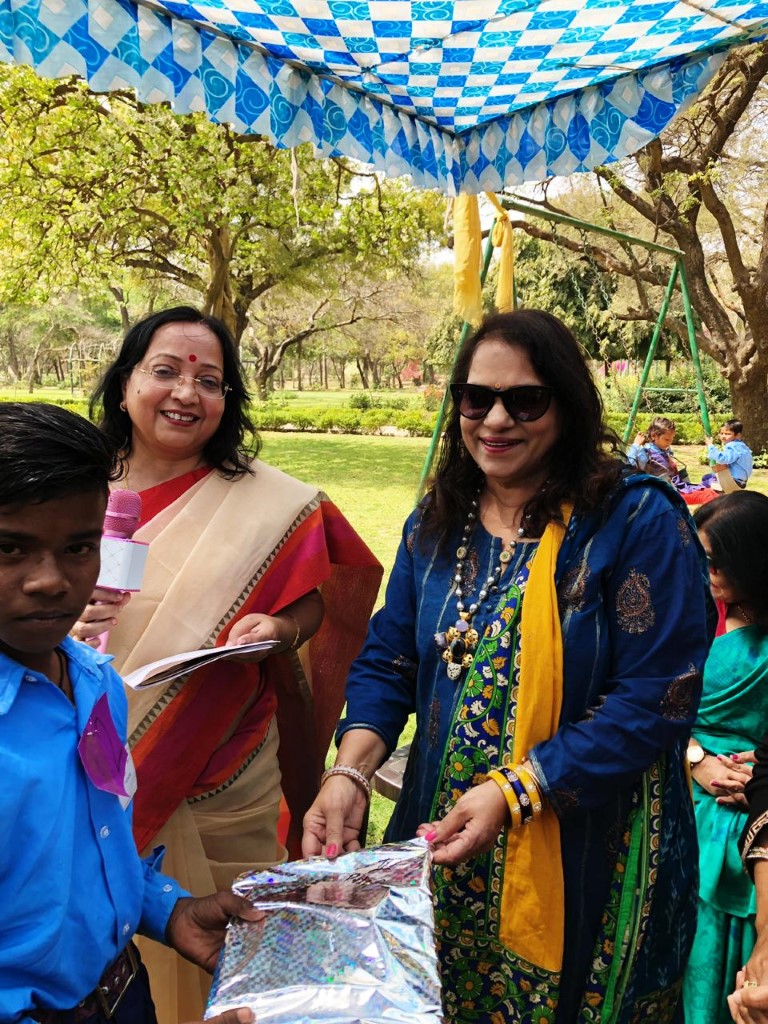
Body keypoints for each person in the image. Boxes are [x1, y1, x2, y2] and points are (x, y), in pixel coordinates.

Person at [302, 309, 714, 1024]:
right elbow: (390, 660)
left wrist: (516, 791)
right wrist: (350, 772)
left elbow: (657, 697)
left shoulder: (633, 521)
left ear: (567, 405)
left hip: (591, 850)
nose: (495, 420)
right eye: (476, 398)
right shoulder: (438, 521)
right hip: (441, 837)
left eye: (524, 400)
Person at [74, 307, 382, 1021]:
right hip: (87, 770)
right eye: (165, 371)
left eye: (210, 381)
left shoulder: (270, 504)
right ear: (125, 383)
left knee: (234, 951)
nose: (187, 393)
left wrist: (280, 628)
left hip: (231, 780)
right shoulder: (70, 485)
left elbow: (318, 603)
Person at [0, 402, 262, 1024]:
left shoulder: (96, 684)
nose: (51, 580)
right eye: (11, 548)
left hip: (124, 993)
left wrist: (168, 909)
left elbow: (85, 847)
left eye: (78, 547)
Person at [680, 492, 768, 1024]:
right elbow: (645, 706)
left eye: (716, 562)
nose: (706, 572)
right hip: (683, 800)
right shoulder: (689, 611)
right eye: (701, 557)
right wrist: (695, 759)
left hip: (751, 815)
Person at [627, 415, 718, 504]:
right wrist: (636, 445)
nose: (670, 442)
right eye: (667, 439)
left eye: (672, 439)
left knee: (713, 487)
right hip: (667, 494)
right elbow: (628, 464)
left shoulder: (663, 450)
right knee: (709, 496)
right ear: (654, 435)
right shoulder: (645, 453)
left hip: (679, 487)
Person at [706, 419, 754, 490]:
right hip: (741, 481)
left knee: (706, 481)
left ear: (738, 435)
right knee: (709, 477)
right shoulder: (741, 446)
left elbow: (722, 459)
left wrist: (710, 446)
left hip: (734, 481)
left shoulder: (733, 446)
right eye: (721, 433)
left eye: (727, 434)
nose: (723, 436)